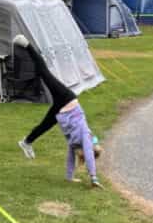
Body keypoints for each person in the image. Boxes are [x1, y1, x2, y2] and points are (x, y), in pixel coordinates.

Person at [13, 34, 102, 188]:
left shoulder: (81, 141)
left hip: (67, 103)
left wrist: (94, 177)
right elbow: (81, 154)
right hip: (64, 108)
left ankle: (26, 142)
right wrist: (72, 177)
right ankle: (27, 142)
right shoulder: (77, 143)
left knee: (45, 74)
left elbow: (87, 153)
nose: (94, 142)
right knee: (45, 124)